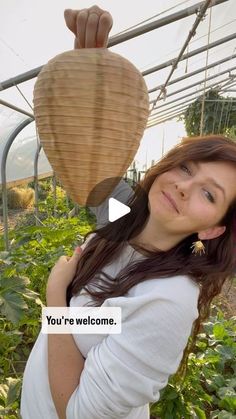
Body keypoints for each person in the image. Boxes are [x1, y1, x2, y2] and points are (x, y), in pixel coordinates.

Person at [20, 5, 236, 419]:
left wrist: (54, 299)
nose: (183, 185)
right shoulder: (123, 217)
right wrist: (89, 70)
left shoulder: (166, 300)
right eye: (186, 168)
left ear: (212, 229)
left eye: (208, 195)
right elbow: (83, 155)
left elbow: (81, 412)